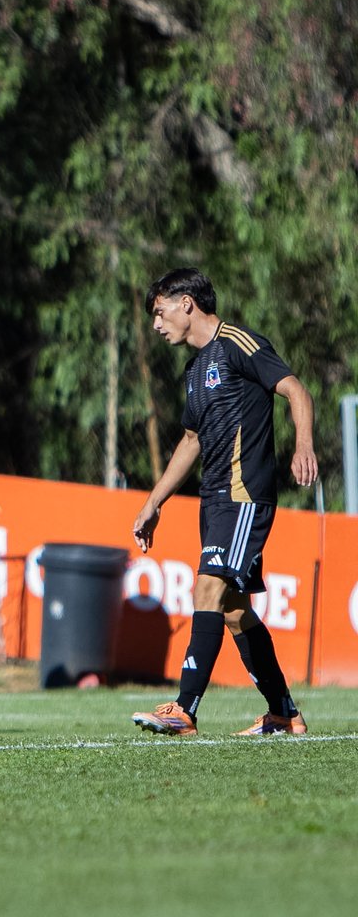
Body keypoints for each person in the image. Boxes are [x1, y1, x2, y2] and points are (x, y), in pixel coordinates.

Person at [130, 267, 316, 737]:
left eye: (159, 311)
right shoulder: (194, 372)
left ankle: (185, 709)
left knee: (207, 590)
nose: (156, 323)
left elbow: (295, 389)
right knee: (233, 610)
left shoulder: (239, 342)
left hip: (243, 493)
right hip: (214, 502)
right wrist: (154, 502)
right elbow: (190, 440)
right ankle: (284, 714)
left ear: (187, 303)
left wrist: (304, 445)